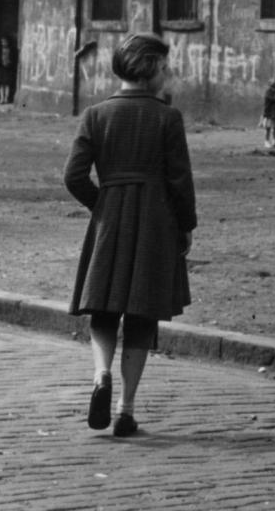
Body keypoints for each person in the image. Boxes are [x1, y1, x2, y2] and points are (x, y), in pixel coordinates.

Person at [64, 33, 196, 438]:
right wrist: (185, 225)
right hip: (155, 222)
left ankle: (101, 374)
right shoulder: (167, 118)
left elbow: (73, 176)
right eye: (165, 66)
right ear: (151, 67)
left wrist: (101, 204)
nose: (168, 73)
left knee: (104, 308)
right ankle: (126, 408)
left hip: (110, 220)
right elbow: (179, 180)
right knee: (141, 315)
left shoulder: (95, 115)